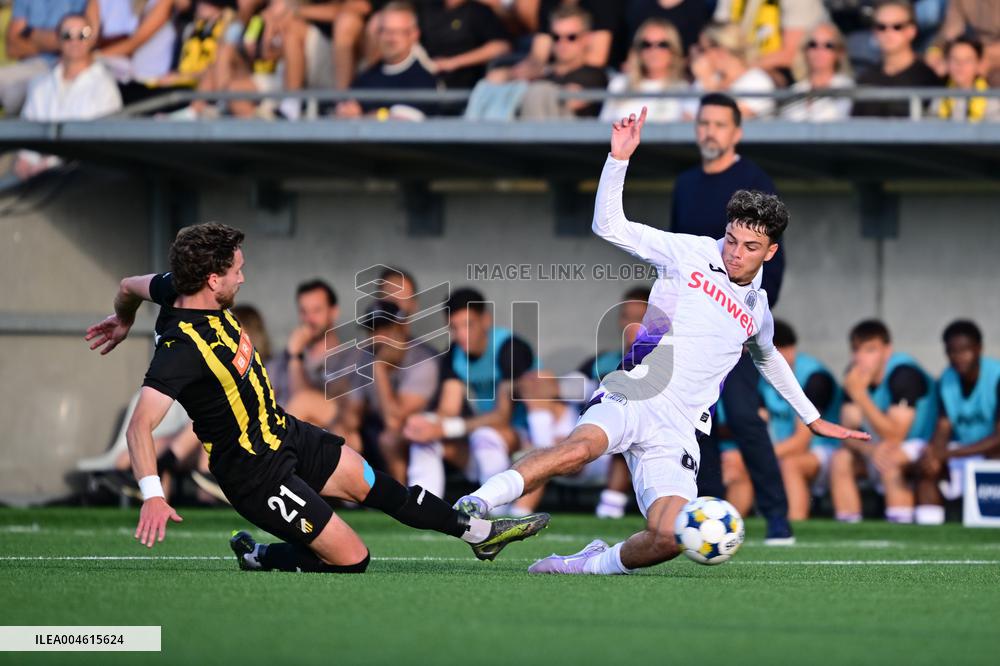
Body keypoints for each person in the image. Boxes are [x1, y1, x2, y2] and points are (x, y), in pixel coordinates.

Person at [453, 106, 868, 576]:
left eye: (749, 247)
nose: (734, 252)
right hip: (636, 391)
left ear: (771, 252)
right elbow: (609, 226)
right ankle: (477, 503)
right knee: (578, 450)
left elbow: (768, 357)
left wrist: (812, 420)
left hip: (681, 430)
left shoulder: (758, 309)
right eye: (731, 239)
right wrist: (618, 159)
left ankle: (582, 566)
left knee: (671, 537)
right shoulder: (689, 251)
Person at [84, 222, 549, 572]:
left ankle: (480, 533)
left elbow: (128, 285)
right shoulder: (181, 349)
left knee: (379, 486)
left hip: (286, 432)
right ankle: (261, 556)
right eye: (237, 271)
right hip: (253, 472)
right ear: (211, 280)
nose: (243, 279)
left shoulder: (173, 287)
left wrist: (122, 319)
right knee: (353, 559)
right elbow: (139, 425)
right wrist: (152, 494)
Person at [671, 93, 793, 544]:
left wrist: (747, 322)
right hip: (689, 332)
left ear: (736, 132)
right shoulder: (684, 184)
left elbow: (773, 264)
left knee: (743, 417)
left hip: (735, 330)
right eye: (704, 123)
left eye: (720, 124)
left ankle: (777, 517)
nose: (710, 132)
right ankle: (709, 508)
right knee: (697, 423)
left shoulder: (754, 181)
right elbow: (678, 263)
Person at [402, 287, 536, 507]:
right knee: (424, 438)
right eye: (454, 328)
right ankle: (423, 509)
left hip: (524, 443)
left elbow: (502, 417)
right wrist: (427, 423)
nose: (461, 334)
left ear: (485, 320)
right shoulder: (455, 353)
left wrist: (444, 428)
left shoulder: (509, 347)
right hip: (482, 445)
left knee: (486, 436)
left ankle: (494, 507)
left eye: (468, 325)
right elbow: (448, 410)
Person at [830, 320, 937, 524]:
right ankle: (848, 527)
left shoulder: (904, 374)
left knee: (890, 459)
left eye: (870, 350)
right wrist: (871, 450)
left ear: (887, 351)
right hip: (878, 446)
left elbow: (896, 435)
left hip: (918, 444)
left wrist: (860, 395)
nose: (861, 358)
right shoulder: (854, 375)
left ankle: (900, 527)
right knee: (840, 459)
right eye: (856, 350)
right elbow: (846, 434)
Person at [341, 300, 440, 484]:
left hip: (425, 434)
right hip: (379, 430)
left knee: (389, 439)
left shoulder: (422, 359)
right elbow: (351, 416)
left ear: (401, 329)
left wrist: (379, 368)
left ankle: (403, 501)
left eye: (384, 328)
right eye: (372, 329)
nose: (377, 336)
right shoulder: (366, 356)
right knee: (342, 435)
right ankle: (348, 499)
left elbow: (394, 421)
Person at [16, 12, 122, 181]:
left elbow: (102, 147)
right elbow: (27, 135)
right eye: (67, 35)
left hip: (84, 181)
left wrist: (49, 165)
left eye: (82, 34)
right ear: (58, 39)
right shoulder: (40, 85)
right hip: (37, 182)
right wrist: (26, 162)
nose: (75, 41)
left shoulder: (105, 86)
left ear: (92, 39)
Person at [915, 321, 1000, 525]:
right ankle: (929, 538)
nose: (958, 357)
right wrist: (934, 454)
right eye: (952, 352)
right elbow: (944, 427)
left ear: (979, 348)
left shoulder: (997, 376)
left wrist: (946, 453)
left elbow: (998, 439)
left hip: (990, 452)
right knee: (927, 469)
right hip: (964, 451)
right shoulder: (947, 379)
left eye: (964, 351)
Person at [758, 320, 841, 521]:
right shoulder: (758, 373)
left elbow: (801, 442)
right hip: (782, 450)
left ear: (791, 350)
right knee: (736, 463)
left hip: (823, 450)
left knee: (790, 464)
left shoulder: (814, 377)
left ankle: (795, 523)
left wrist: (758, 457)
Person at [335, 1, 438, 120]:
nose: (391, 38)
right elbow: (346, 110)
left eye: (398, 32)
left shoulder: (422, 79)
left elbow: (404, 123)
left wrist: (363, 116)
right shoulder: (366, 77)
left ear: (414, 35)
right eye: (386, 31)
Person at [851, 0, 942, 118]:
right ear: (874, 32)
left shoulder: (927, 78)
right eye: (881, 27)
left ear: (912, 31)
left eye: (897, 27)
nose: (888, 33)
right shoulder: (865, 79)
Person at [1, 0, 91, 114]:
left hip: (64, 68)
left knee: (14, 95)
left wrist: (29, 33)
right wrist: (60, 41)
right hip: (30, 66)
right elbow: (12, 48)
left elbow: (83, 41)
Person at [517, 6, 607, 119]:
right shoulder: (543, 74)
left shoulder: (595, 75)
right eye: (556, 37)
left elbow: (573, 101)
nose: (562, 43)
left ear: (587, 38)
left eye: (571, 37)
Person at [711, 0, 828, 86]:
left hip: (787, 77)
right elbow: (716, 35)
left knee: (756, 82)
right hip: (738, 66)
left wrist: (741, 71)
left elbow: (790, 53)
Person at [600, 17, 687, 124]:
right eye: (646, 45)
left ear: (673, 50)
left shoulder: (683, 89)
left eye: (662, 45)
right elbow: (604, 127)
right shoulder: (620, 84)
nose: (653, 51)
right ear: (638, 50)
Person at [687, 23, 775, 119]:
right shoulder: (709, 78)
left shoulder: (757, 80)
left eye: (703, 49)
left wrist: (709, 84)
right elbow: (687, 117)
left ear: (720, 50)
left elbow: (734, 119)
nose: (701, 56)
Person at [780, 22, 854, 122]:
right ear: (805, 50)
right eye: (813, 44)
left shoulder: (847, 88)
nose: (819, 50)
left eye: (828, 45)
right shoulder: (796, 90)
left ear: (839, 53)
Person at [931, 37, 1000, 123]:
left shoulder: (991, 100)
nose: (960, 65)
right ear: (947, 62)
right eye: (955, 59)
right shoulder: (939, 98)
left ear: (978, 64)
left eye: (967, 60)